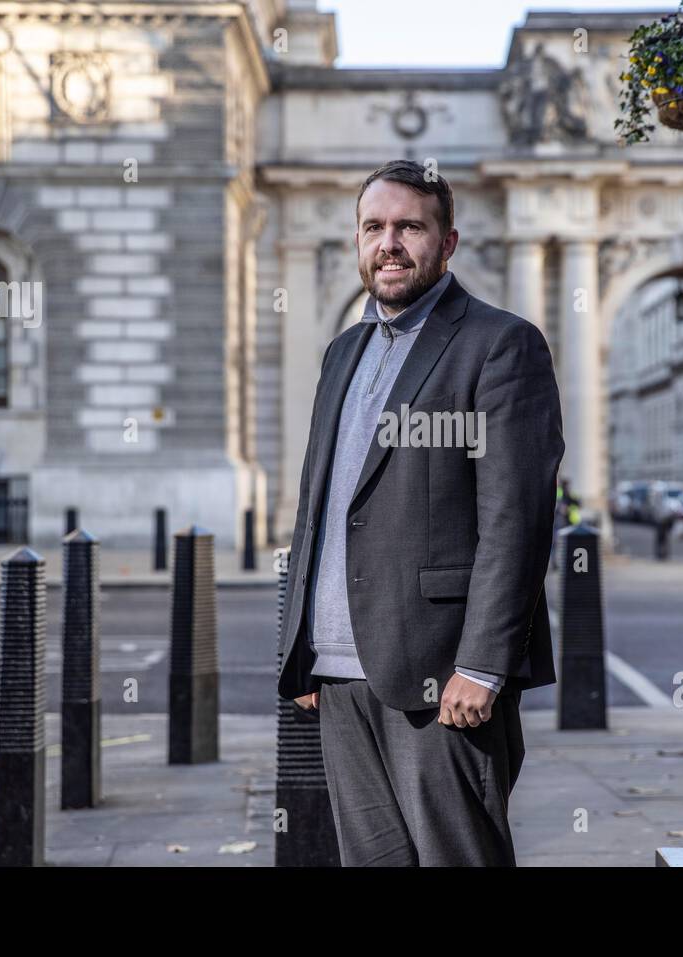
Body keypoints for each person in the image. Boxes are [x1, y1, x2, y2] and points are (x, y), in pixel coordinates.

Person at [276, 160, 564, 866]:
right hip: (341, 675)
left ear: (448, 241)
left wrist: (483, 665)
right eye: (374, 227)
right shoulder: (343, 351)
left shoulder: (500, 343)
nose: (390, 243)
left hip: (442, 673)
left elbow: (516, 520)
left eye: (410, 226)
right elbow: (321, 503)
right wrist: (303, 649)